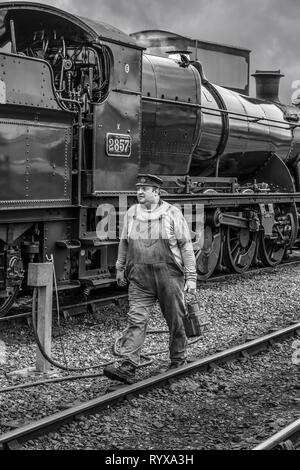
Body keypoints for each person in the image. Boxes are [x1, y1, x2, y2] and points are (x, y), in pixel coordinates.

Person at [103, 174, 197, 384]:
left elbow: (186, 246)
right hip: (140, 279)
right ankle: (128, 364)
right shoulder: (131, 213)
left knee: (176, 319)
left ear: (156, 192)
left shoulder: (172, 213)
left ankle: (178, 359)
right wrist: (120, 267)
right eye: (138, 188)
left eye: (144, 188)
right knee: (136, 319)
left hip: (170, 277)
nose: (139, 192)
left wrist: (191, 277)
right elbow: (124, 242)